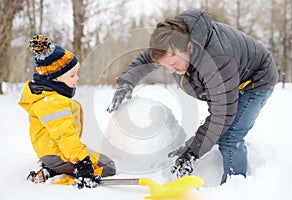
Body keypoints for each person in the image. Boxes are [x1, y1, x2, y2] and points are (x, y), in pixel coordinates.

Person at [106, 9, 278, 184]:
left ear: (190, 47)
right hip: (229, 80)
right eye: (166, 66)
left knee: (230, 136)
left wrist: (192, 151)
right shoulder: (173, 41)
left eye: (173, 64)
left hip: (255, 80)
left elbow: (222, 115)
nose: (171, 70)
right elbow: (145, 59)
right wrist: (126, 82)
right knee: (220, 129)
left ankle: (236, 188)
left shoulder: (217, 60)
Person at [19, 35, 116, 189]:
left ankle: (51, 168)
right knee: (108, 166)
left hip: (52, 150)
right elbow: (65, 135)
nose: (77, 78)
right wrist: (82, 162)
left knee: (95, 158)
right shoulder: (53, 102)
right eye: (72, 75)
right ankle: (63, 174)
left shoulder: (48, 96)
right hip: (57, 153)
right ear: (55, 79)